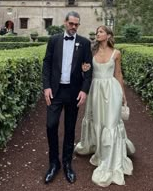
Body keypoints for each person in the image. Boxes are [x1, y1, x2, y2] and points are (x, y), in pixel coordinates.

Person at [75, 25, 135, 187]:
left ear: (108, 35)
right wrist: (84, 69)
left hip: (112, 90)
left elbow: (118, 74)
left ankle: (110, 158)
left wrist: (123, 95)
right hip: (95, 90)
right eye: (97, 32)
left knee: (110, 123)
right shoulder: (91, 52)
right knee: (97, 121)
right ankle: (98, 149)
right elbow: (86, 71)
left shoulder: (117, 53)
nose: (98, 34)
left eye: (101, 32)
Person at [42, 11, 93, 184]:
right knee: (51, 125)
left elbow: (88, 69)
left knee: (70, 129)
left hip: (73, 92)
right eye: (71, 23)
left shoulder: (85, 43)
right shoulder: (54, 40)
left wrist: (84, 90)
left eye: (76, 24)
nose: (73, 27)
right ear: (65, 22)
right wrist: (46, 87)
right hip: (55, 92)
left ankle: (67, 164)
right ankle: (53, 163)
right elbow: (47, 63)